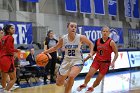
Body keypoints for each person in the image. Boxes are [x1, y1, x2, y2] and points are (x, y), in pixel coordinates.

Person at [42, 22, 94, 93]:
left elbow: (91, 44)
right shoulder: (64, 38)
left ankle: (67, 90)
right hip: (66, 61)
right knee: (59, 83)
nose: (73, 28)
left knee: (71, 75)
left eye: (75, 27)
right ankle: (68, 84)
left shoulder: (81, 37)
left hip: (77, 61)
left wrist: (91, 53)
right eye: (72, 26)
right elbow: (55, 48)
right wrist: (45, 52)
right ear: (68, 27)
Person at [77, 26, 118, 93]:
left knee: (98, 79)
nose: (105, 33)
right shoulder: (97, 41)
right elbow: (94, 51)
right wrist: (86, 58)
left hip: (105, 63)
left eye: (107, 31)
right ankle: (84, 84)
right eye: (104, 31)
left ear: (109, 33)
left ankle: (92, 87)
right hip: (97, 61)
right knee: (89, 74)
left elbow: (116, 53)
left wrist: (113, 62)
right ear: (101, 32)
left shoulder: (111, 42)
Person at [0, 24, 20, 93]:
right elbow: (9, 50)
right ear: (8, 30)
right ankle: (5, 91)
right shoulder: (10, 37)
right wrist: (16, 50)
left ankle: (3, 89)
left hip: (1, 59)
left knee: (3, 77)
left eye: (13, 28)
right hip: (7, 59)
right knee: (13, 79)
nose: (14, 29)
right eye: (12, 28)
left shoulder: (2, 38)